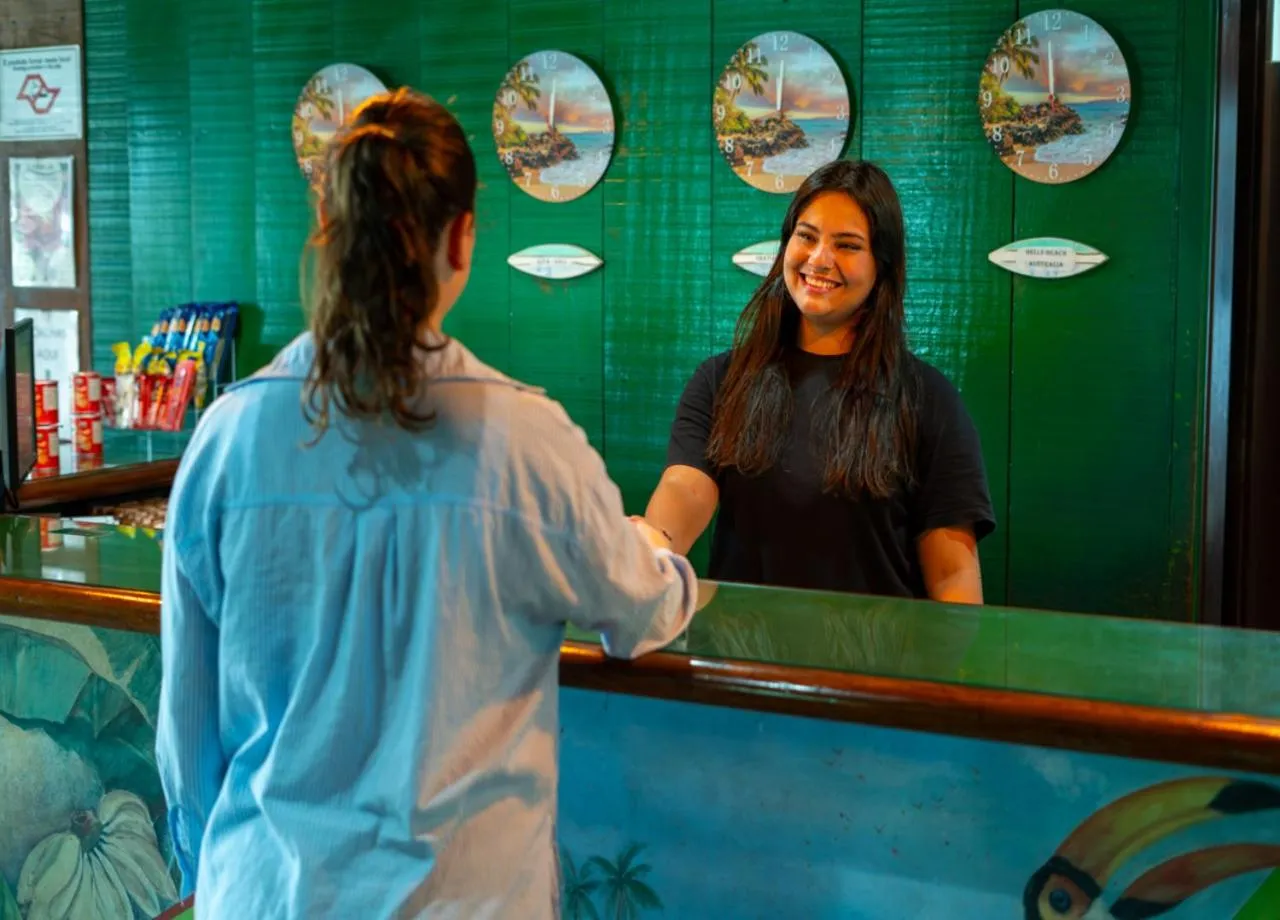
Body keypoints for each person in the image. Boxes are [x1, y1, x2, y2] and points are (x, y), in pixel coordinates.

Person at [156, 88, 697, 919]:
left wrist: (214, 869)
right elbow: (639, 610)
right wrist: (662, 555)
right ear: (462, 238)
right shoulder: (528, 441)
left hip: (264, 894)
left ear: (326, 228)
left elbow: (187, 731)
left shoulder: (227, 437)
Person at [640, 159, 994, 602]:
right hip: (742, 644)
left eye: (847, 245)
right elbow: (686, 486)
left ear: (881, 265)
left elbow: (952, 575)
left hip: (876, 648)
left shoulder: (928, 399)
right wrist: (655, 541)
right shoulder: (720, 380)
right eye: (806, 236)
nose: (820, 259)